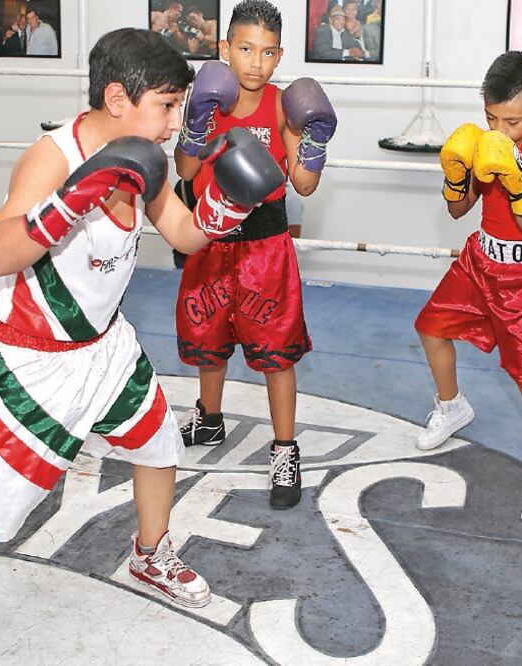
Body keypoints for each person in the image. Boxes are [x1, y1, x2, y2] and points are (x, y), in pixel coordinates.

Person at [0, 27, 284, 665]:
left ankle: (150, 555)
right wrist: (71, 202)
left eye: (180, 105)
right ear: (117, 97)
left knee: (158, 445)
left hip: (105, 350)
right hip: (29, 363)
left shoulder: (145, 161)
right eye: (166, 105)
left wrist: (227, 205)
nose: (176, 121)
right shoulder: (53, 158)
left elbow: (183, 237)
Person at [173, 0, 337, 510]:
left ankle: (285, 447)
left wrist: (314, 144)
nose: (255, 62)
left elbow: (304, 186)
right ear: (224, 49)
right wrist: (196, 125)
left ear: (280, 55)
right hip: (209, 237)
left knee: (276, 350)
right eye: (244, 49)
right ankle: (209, 418)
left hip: (266, 244)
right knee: (208, 337)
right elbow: (183, 169)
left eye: (267, 53)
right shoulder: (208, 100)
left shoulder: (286, 106)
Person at [414, 51, 522, 526]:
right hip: (480, 256)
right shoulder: (484, 140)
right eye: (491, 118)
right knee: (430, 328)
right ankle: (452, 406)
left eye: (512, 120)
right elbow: (457, 212)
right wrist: (456, 177)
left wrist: (515, 175)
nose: (500, 130)